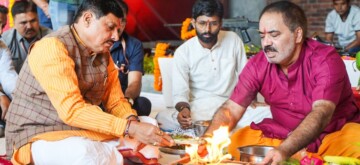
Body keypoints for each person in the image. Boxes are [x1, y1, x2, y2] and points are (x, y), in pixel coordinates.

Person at [5, 0, 174, 164]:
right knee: (86, 154)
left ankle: (118, 153)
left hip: (77, 129)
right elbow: (72, 110)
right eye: (110, 28)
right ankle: (118, 153)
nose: (115, 36)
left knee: (149, 125)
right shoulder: (52, 47)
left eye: (118, 28)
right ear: (87, 19)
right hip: (38, 133)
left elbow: (115, 101)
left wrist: (132, 122)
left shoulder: (103, 53)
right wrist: (129, 129)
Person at [203, 1, 360, 164]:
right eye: (262, 36)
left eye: (274, 35)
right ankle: (304, 158)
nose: (266, 43)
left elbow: (322, 113)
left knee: (357, 143)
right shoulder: (258, 64)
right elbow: (231, 109)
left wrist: (285, 149)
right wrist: (207, 140)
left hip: (332, 134)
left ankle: (301, 157)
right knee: (237, 140)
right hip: (283, 134)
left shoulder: (325, 60)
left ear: (297, 35)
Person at [156, 0, 248, 131]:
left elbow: (246, 77)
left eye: (213, 24)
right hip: (199, 108)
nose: (207, 29)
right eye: (202, 23)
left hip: (231, 106)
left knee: (267, 113)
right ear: (193, 23)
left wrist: (249, 100)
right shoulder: (183, 52)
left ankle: (210, 128)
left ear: (221, 23)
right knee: (161, 118)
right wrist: (184, 110)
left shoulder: (233, 40)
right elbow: (180, 92)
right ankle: (221, 127)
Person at [110, 1, 152, 116]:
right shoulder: (95, 41)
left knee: (143, 104)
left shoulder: (134, 45)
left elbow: (135, 82)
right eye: (113, 20)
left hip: (122, 99)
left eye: (121, 20)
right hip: (98, 100)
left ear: (125, 22)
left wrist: (126, 101)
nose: (118, 25)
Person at [1, 0, 52, 73]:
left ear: (38, 19)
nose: (29, 26)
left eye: (33, 21)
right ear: (14, 24)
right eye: (23, 23)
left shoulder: (50, 37)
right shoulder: (5, 41)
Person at [0, 5, 18, 138]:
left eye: (3, 25)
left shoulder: (2, 46)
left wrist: (22, 97)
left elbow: (7, 75)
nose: (0, 31)